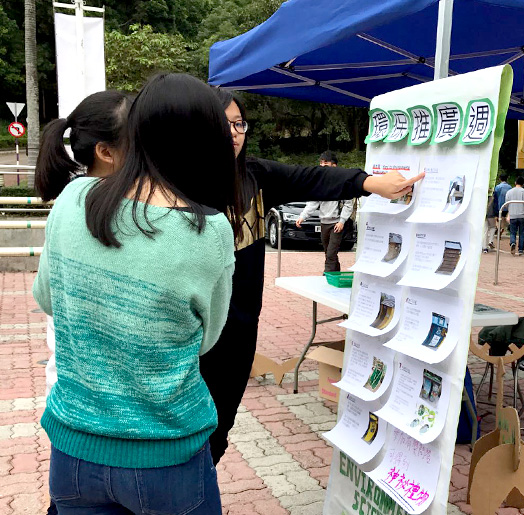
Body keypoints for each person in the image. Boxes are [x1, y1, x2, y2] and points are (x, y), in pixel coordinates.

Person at [33, 73, 244, 514]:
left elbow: (48, 299)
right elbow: (207, 339)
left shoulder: (74, 197)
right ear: (209, 141)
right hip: (167, 457)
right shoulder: (209, 231)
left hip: (73, 451)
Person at [200, 88, 425, 465]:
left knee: (219, 431)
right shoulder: (175, 187)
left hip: (239, 331)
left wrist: (370, 183)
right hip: (192, 337)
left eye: (239, 123)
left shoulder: (254, 176)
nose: (234, 133)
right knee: (188, 434)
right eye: (223, 125)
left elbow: (312, 179)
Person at [35, 90, 132, 515]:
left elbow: (45, 297)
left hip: (72, 405)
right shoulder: (126, 207)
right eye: (140, 137)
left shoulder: (66, 202)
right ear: (106, 151)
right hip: (126, 419)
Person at [295, 150, 354, 272]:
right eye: (321, 163)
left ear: (334, 165)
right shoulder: (320, 182)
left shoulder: (342, 182)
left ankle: (327, 277)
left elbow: (348, 204)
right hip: (324, 223)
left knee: (331, 254)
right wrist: (303, 216)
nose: (322, 166)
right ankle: (335, 275)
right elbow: (313, 202)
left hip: (337, 224)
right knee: (329, 253)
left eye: (325, 163)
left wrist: (342, 221)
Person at [505, 176, 524, 255]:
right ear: (523, 184)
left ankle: (512, 242)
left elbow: (506, 204)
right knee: (522, 232)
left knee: (513, 232)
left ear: (515, 183)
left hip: (512, 214)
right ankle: (521, 249)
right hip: (522, 215)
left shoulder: (509, 192)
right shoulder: (523, 191)